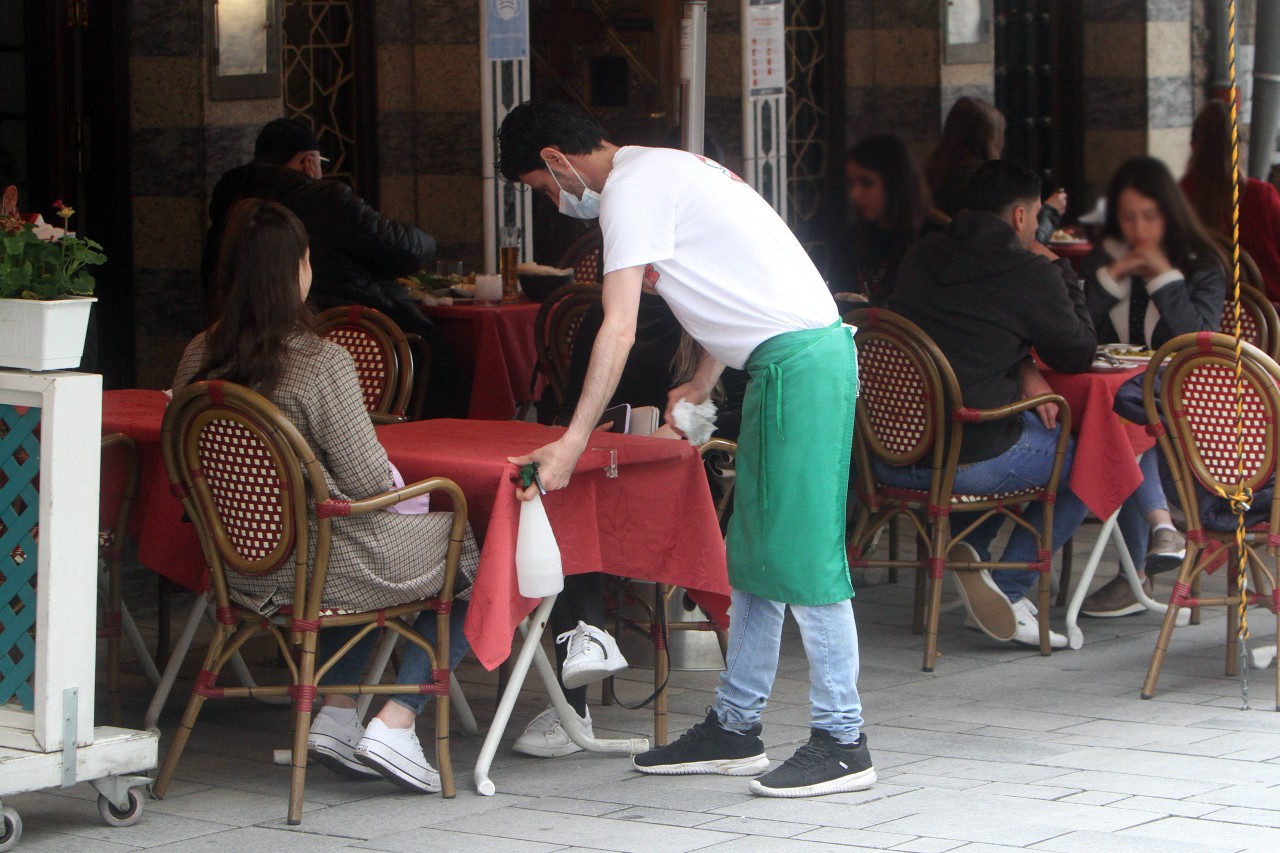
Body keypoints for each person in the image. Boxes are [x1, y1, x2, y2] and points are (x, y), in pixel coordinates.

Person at [497, 100, 874, 799]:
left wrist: (571, 442)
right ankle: (735, 726)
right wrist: (699, 381)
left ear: (556, 159)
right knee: (757, 558)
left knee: (806, 556)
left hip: (803, 364)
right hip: (782, 363)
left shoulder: (630, 192)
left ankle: (843, 738)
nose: (555, 201)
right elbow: (729, 285)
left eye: (544, 189)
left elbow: (616, 326)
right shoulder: (660, 173)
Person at [173, 198, 480, 794]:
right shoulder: (319, 362)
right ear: (299, 270)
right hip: (323, 564)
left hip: (242, 569)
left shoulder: (195, 357)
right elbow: (368, 484)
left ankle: (336, 714)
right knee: (477, 548)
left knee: (348, 551)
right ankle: (397, 720)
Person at [514, 297, 747, 759]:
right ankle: (579, 667)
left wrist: (680, 433)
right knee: (560, 496)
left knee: (575, 506)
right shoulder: (607, 312)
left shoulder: (713, 308)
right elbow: (570, 407)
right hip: (608, 467)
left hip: (680, 477)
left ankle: (572, 700)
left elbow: (739, 412)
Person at [885, 159, 1099, 648]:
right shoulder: (1028, 272)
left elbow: (962, 339)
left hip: (891, 455)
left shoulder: (920, 256)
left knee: (1017, 434)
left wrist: (1022, 368)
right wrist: (1058, 267)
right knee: (1089, 458)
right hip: (967, 461)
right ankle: (1008, 586)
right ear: (1022, 217)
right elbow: (1079, 352)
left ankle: (970, 552)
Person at [203, 117, 468, 418]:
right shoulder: (327, 362)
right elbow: (399, 248)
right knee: (437, 358)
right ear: (308, 161)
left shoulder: (201, 352)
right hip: (343, 327)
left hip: (240, 344)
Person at [1076, 156, 1227, 617]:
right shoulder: (1108, 258)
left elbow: (1198, 341)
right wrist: (1113, 277)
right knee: (1124, 417)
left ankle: (1136, 572)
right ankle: (1157, 540)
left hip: (1190, 396)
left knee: (1129, 418)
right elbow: (1077, 327)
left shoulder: (1203, 264)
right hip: (1125, 392)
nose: (1138, 227)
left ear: (1170, 213)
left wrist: (1163, 276)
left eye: (1149, 215)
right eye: (1127, 216)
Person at [923, 96, 1067, 241]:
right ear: (990, 139)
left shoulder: (929, 172)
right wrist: (1050, 211)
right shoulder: (984, 184)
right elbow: (1018, 245)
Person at [1181, 99, 1280, 301]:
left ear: (1193, 146)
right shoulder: (1262, 195)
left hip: (1206, 317)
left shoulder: (1178, 197)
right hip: (1268, 318)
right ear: (1240, 146)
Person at [833, 135, 932, 305]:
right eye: (851, 184)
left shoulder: (933, 239)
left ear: (895, 183)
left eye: (867, 183)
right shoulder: (850, 238)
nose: (855, 195)